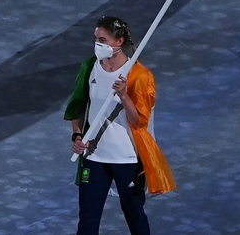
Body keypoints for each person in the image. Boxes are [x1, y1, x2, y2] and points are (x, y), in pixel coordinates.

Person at [64, 16, 176, 235]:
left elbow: (139, 120)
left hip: (128, 159)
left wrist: (124, 95)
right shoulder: (90, 66)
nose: (97, 44)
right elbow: (77, 106)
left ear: (119, 41)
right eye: (96, 39)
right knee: (86, 220)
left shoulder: (139, 75)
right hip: (94, 157)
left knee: (134, 214)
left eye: (103, 39)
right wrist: (77, 137)